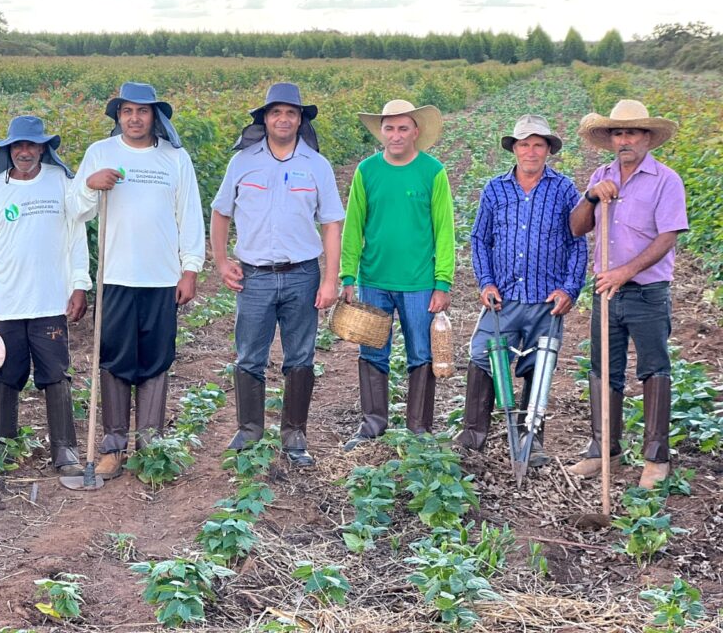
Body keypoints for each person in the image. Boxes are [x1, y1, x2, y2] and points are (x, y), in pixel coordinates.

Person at [68, 82, 205, 480]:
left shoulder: (175, 158)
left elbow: (189, 215)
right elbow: (76, 210)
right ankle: (112, 446)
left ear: (154, 117)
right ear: (118, 116)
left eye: (142, 111)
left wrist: (190, 268)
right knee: (115, 358)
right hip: (116, 277)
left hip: (161, 277)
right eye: (127, 111)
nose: (134, 118)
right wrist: (91, 186)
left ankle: (150, 445)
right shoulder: (100, 153)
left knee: (156, 359)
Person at [210, 82, 344, 467]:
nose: (283, 119)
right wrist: (221, 262)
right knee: (250, 355)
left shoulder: (316, 165)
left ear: (300, 120)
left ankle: (295, 434)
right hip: (254, 277)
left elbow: (332, 223)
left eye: (291, 113)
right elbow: (221, 212)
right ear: (265, 119)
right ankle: (249, 429)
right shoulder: (243, 162)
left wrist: (330, 279)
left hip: (302, 274)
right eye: (276, 113)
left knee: (300, 356)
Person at [567, 100, 685, 489]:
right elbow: (576, 227)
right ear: (610, 139)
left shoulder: (666, 180)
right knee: (603, 370)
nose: (625, 139)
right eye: (618, 132)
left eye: (632, 132)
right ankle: (605, 450)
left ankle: (656, 457)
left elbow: (667, 236)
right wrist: (590, 197)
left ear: (647, 137)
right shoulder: (601, 176)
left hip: (647, 290)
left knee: (654, 369)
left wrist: (625, 271)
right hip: (606, 292)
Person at [457, 115, 587, 465]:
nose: (530, 151)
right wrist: (485, 281)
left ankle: (533, 440)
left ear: (548, 150)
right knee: (483, 354)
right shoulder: (495, 189)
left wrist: (570, 289)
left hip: (546, 299)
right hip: (505, 298)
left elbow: (577, 242)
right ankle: (473, 436)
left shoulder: (563, 189)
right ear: (514, 149)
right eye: (524, 144)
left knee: (538, 365)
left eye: (538, 144)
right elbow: (480, 239)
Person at [0, 115, 90, 475]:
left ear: (42, 148)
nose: (24, 152)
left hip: (50, 300)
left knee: (55, 372)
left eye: (31, 145)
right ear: (9, 150)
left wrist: (79, 284)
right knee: (6, 374)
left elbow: (76, 237)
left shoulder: (61, 183)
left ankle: (65, 449)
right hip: (6, 302)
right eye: (18, 146)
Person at [341, 98, 454, 449]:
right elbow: (353, 224)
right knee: (373, 352)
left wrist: (443, 281)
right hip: (374, 279)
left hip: (419, 283)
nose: (396, 134)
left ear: (416, 132)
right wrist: (347, 275)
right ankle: (373, 423)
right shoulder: (367, 171)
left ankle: (419, 428)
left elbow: (444, 230)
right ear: (381, 132)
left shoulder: (432, 172)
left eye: (403, 127)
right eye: (389, 128)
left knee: (421, 353)